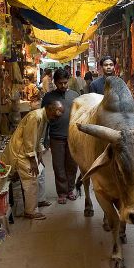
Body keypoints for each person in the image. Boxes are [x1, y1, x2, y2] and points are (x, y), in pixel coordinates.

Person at [1, 100, 65, 220]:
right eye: (56, 115)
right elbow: (29, 140)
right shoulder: (35, 117)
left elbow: (38, 137)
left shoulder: (45, 117)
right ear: (49, 109)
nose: (56, 119)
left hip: (30, 150)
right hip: (22, 152)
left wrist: (39, 155)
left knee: (41, 171)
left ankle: (39, 200)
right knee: (31, 177)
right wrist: (32, 161)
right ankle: (30, 211)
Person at [42, 68, 80, 204]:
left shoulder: (75, 96)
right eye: (60, 83)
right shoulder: (48, 97)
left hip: (73, 137)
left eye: (65, 83)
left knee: (72, 165)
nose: (63, 86)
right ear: (55, 82)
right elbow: (43, 118)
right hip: (56, 136)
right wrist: (44, 138)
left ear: (68, 80)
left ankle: (70, 189)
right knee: (58, 166)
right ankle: (62, 192)